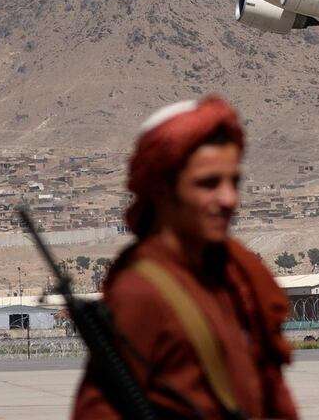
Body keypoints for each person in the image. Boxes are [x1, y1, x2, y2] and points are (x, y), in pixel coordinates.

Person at [74, 96, 298, 419]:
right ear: (163, 189)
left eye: (234, 182)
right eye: (208, 184)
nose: (228, 199)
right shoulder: (142, 291)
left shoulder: (235, 277)